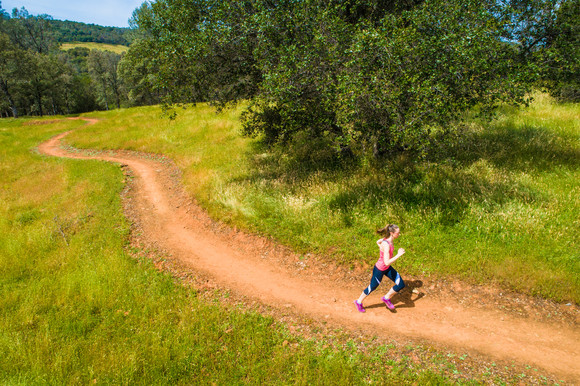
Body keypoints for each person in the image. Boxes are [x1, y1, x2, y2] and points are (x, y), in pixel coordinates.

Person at [354, 224, 406, 312]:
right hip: (380, 269)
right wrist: (398, 255)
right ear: (392, 233)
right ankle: (358, 302)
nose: (399, 234)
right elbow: (386, 262)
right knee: (373, 286)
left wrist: (381, 248)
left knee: (401, 284)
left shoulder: (389, 240)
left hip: (387, 268)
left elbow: (378, 242)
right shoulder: (387, 244)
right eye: (398, 233)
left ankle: (386, 298)